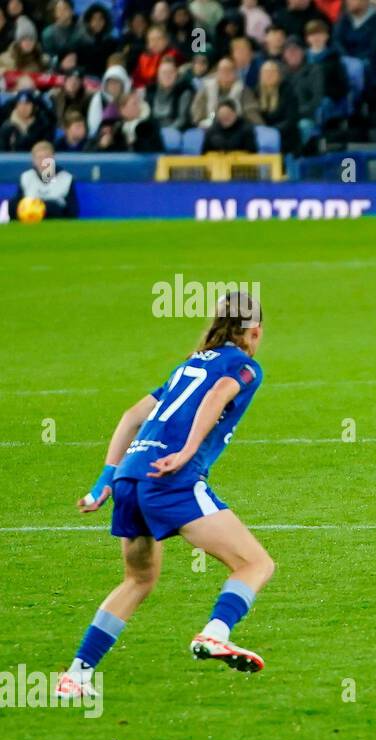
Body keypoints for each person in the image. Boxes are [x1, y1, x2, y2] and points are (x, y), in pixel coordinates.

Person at [58, 294, 274, 700]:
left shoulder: (188, 364)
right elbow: (220, 394)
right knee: (255, 563)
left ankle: (76, 675)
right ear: (254, 331)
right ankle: (215, 633)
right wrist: (189, 451)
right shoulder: (245, 366)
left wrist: (105, 480)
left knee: (138, 578)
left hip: (130, 478)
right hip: (170, 479)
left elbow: (130, 416)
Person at [8, 140, 78, 218]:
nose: (43, 161)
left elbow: (73, 211)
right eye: (39, 157)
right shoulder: (27, 177)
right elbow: (17, 205)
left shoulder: (66, 178)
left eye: (46, 157)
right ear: (34, 161)